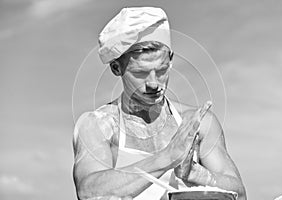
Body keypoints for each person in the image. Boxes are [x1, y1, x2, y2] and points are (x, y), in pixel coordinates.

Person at [72, 7, 246, 200]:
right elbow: (89, 192)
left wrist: (197, 174)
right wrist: (166, 158)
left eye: (161, 70)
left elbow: (239, 193)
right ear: (116, 68)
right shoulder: (97, 125)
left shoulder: (198, 124)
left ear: (170, 60)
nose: (154, 83)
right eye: (140, 73)